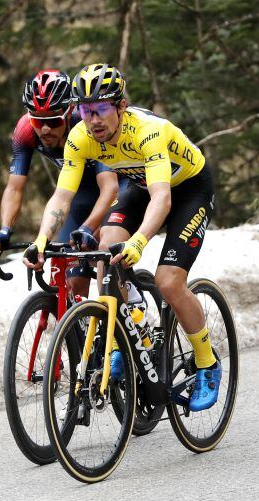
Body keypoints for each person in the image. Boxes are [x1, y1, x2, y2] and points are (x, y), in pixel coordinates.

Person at [23, 63, 222, 412]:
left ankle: (207, 363)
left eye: (101, 110)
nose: (94, 120)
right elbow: (62, 197)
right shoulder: (80, 137)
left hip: (188, 189)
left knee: (169, 282)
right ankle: (130, 330)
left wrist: (140, 242)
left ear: (121, 106)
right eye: (85, 111)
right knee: (106, 250)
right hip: (143, 187)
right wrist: (41, 240)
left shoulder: (148, 131)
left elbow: (164, 198)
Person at [0, 69, 117, 297]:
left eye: (53, 121)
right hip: (77, 194)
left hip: (114, 186)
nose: (44, 129)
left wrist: (89, 228)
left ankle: (129, 310)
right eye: (37, 119)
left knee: (109, 262)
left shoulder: (87, 125)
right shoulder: (26, 130)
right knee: (71, 280)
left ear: (69, 112)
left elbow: (109, 189)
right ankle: (81, 328)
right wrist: (5, 230)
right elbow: (14, 187)